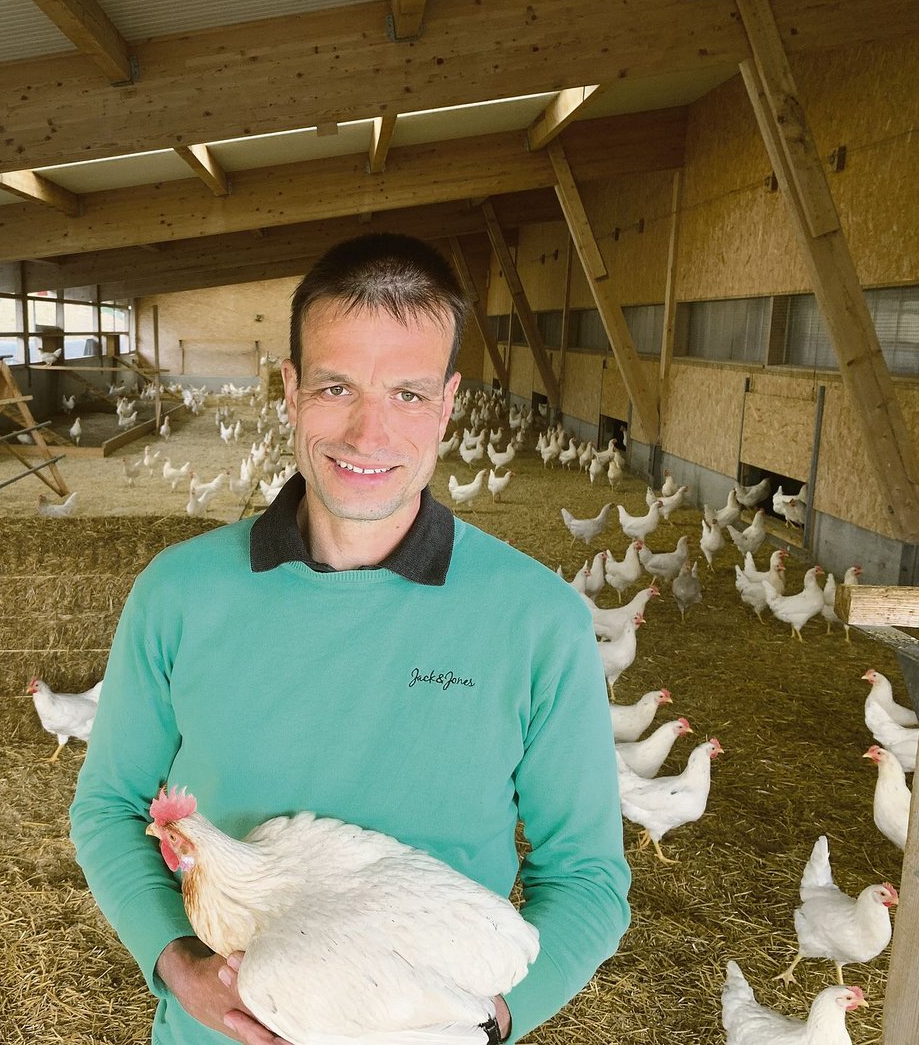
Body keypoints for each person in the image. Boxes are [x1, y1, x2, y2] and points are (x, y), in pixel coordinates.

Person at [69, 233, 630, 1044]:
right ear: (291, 390)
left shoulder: (539, 621)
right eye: (337, 386)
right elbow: (109, 807)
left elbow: (585, 876)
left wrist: (484, 1021)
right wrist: (178, 966)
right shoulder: (179, 593)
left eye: (406, 393)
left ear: (447, 400)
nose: (369, 435)